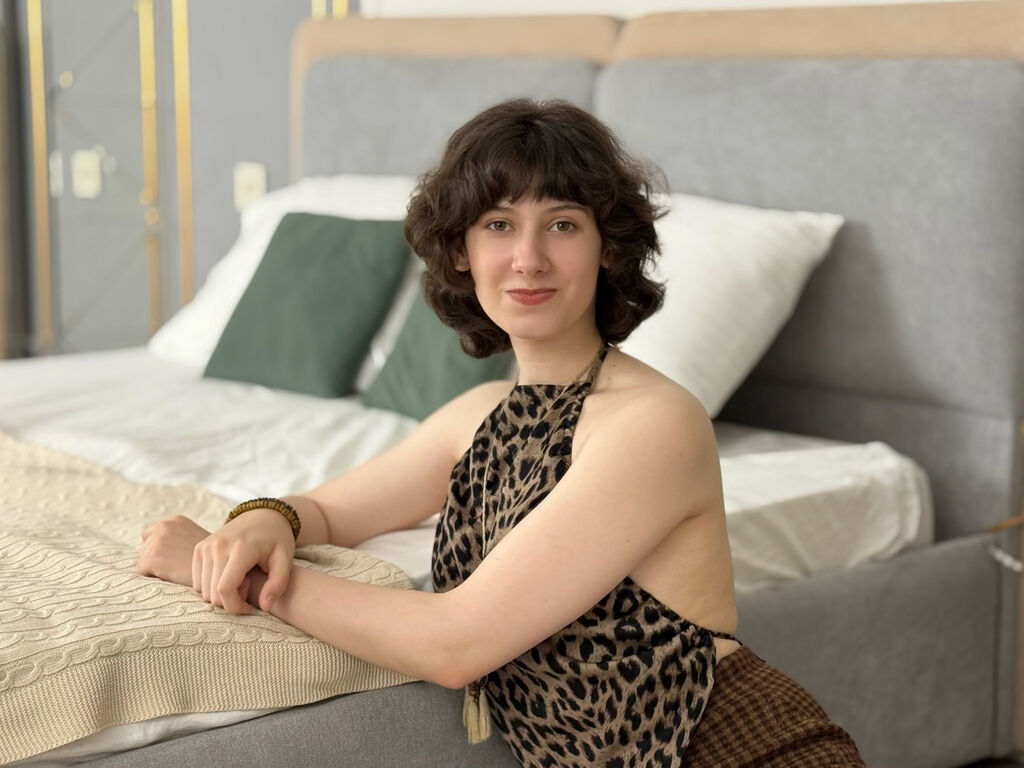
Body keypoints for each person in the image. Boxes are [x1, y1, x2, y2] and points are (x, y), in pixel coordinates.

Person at [137, 98, 865, 767]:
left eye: (562, 224)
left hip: (738, 748)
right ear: (461, 251)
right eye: (498, 225)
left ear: (608, 249)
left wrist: (254, 579)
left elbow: (457, 644)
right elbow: (326, 510)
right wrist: (264, 520)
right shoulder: (476, 416)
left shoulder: (654, 423)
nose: (528, 258)